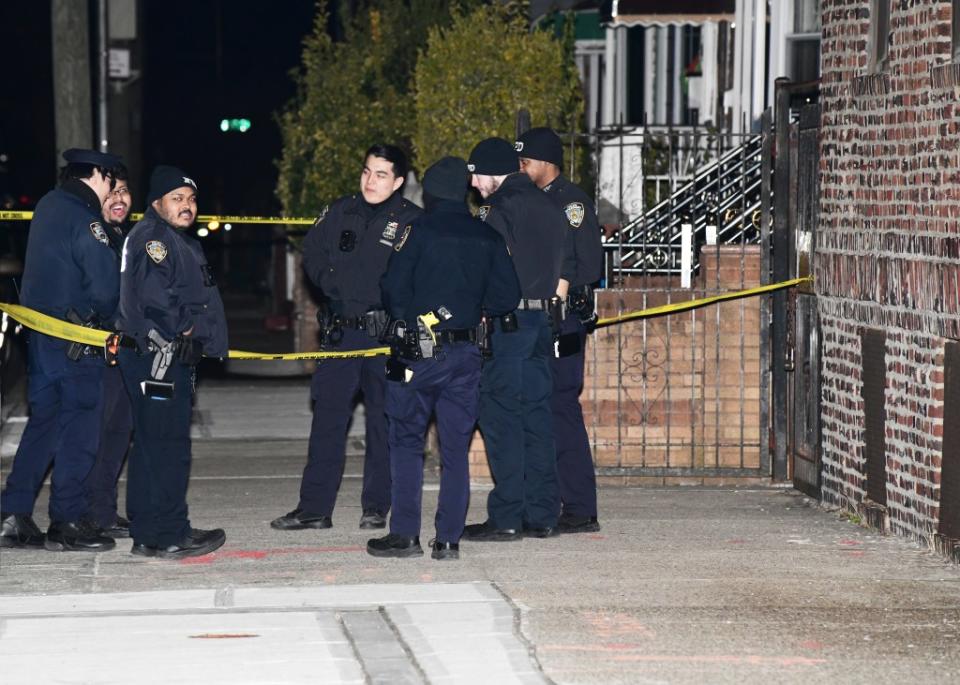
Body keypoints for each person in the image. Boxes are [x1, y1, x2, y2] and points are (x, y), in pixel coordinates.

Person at [367, 157, 520, 560]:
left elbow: (393, 288)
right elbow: (507, 297)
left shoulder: (416, 232)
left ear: (431, 193)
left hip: (418, 352)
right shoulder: (487, 236)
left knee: (405, 440)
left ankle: (404, 535)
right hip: (466, 353)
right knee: (456, 448)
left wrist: (407, 317)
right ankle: (448, 539)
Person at [271, 144, 422, 533]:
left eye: (381, 174)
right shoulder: (340, 211)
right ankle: (314, 509)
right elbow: (313, 254)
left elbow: (416, 278)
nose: (371, 181)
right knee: (327, 421)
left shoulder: (411, 222)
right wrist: (334, 284)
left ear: (399, 182)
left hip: (382, 336)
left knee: (381, 422)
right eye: (367, 171)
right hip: (341, 334)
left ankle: (376, 506)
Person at [0, 148, 121, 552]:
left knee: (44, 425)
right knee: (79, 429)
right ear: (99, 175)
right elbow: (104, 288)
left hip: (42, 339)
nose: (111, 193)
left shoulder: (49, 206)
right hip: (78, 343)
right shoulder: (86, 218)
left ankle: (13, 515)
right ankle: (67, 521)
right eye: (111, 182)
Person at [117, 165, 228, 559]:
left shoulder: (171, 238)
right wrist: (188, 331)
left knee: (151, 445)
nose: (187, 206)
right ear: (157, 202)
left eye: (191, 199)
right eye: (177, 198)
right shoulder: (155, 239)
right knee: (168, 447)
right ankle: (170, 533)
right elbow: (157, 300)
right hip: (159, 358)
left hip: (156, 357)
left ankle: (148, 533)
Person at [461, 138, 567, 542]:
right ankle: (542, 514)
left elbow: (487, 268)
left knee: (501, 418)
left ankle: (506, 516)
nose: (473, 183)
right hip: (542, 321)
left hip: (509, 324)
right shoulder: (549, 206)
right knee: (537, 419)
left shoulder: (497, 209)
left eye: (476, 173)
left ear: (492, 170)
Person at [516, 127, 603, 534]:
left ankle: (582, 508)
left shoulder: (571, 204)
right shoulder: (530, 202)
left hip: (564, 318)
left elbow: (589, 266)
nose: (521, 168)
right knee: (538, 410)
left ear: (547, 163)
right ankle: (547, 503)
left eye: (526, 161)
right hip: (535, 318)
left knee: (561, 407)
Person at [82, 163, 135, 538]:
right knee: (96, 433)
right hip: (97, 351)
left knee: (119, 432)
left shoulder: (128, 237)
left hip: (127, 351)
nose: (119, 198)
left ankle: (103, 511)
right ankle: (83, 511)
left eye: (125, 191)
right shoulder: (92, 236)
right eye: (112, 191)